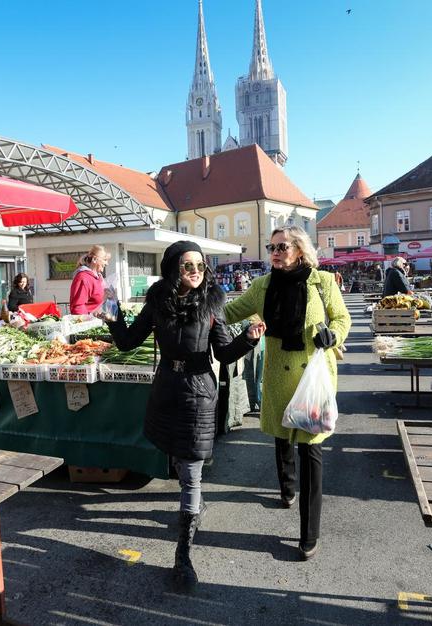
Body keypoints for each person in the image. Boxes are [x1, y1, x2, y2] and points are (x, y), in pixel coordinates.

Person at [104, 241, 265, 591]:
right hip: (166, 389)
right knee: (177, 461)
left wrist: (248, 339)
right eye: (188, 265)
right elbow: (129, 342)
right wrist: (114, 319)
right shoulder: (158, 302)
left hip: (198, 392)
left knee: (191, 470)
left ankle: (183, 554)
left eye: (200, 266)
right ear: (173, 267)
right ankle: (193, 507)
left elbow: (222, 349)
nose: (195, 272)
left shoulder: (211, 305)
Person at [224, 226, 352, 561]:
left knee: (310, 450)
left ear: (299, 249)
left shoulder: (322, 282)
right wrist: (196, 308)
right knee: (282, 435)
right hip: (279, 377)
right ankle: (286, 487)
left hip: (312, 376)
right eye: (271, 246)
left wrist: (333, 335)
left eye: (282, 246)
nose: (275, 252)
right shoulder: (261, 286)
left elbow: (342, 318)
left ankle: (309, 533)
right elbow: (228, 312)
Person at [69, 245, 111, 314]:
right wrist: (87, 322)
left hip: (100, 320)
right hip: (89, 323)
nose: (107, 263)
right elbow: (78, 307)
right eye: (105, 260)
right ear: (94, 259)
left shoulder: (99, 277)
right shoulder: (83, 278)